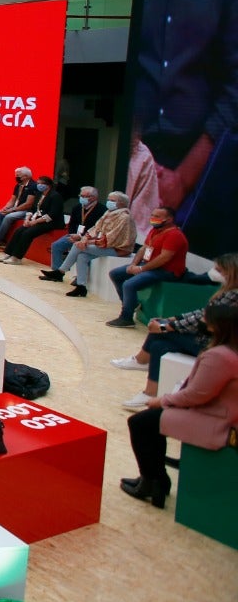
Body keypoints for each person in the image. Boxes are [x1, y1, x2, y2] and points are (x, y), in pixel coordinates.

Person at [121, 297, 238, 508]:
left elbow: (196, 395)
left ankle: (152, 482)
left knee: (141, 423)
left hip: (217, 420)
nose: (202, 320)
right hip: (218, 412)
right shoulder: (229, 351)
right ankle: (157, 478)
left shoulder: (220, 356)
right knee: (150, 422)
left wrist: (162, 400)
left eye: (206, 318)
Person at [117, 254, 237, 409]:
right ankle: (150, 391)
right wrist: (171, 320)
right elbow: (203, 313)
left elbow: (204, 319)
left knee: (159, 332)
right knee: (159, 346)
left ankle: (141, 361)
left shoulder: (233, 296)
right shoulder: (227, 291)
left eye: (220, 270)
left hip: (218, 344)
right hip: (211, 338)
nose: (215, 272)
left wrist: (166, 326)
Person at [107, 207, 192, 327]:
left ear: (169, 219)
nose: (153, 218)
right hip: (149, 266)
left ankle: (126, 318)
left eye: (157, 216)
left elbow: (164, 258)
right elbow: (143, 248)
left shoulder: (174, 235)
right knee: (115, 274)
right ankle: (132, 303)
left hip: (167, 271)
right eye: (152, 215)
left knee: (129, 284)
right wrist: (134, 264)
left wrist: (142, 269)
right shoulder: (155, 230)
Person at [45, 191, 135, 296]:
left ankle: (60, 271)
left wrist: (86, 241)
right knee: (82, 256)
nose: (109, 202)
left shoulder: (124, 217)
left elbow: (111, 238)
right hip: (106, 244)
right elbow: (95, 228)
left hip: (119, 249)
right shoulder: (108, 213)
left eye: (112, 201)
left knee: (76, 246)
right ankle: (81, 287)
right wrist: (85, 238)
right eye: (108, 200)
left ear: (122, 203)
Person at [0, 175, 64, 265]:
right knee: (19, 231)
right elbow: (32, 209)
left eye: (41, 184)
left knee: (27, 233)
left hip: (51, 222)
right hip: (36, 219)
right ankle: (8, 253)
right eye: (38, 183)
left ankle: (17, 257)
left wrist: (35, 222)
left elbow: (52, 214)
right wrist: (27, 219)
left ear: (48, 185)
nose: (38, 185)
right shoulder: (39, 194)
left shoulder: (55, 196)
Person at [0, 166, 38, 249]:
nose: (16, 177)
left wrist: (12, 210)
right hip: (16, 208)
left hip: (26, 210)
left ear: (26, 176)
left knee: (9, 217)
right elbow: (12, 200)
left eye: (18, 176)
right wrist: (5, 208)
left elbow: (28, 204)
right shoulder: (18, 186)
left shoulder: (33, 186)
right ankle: (2, 240)